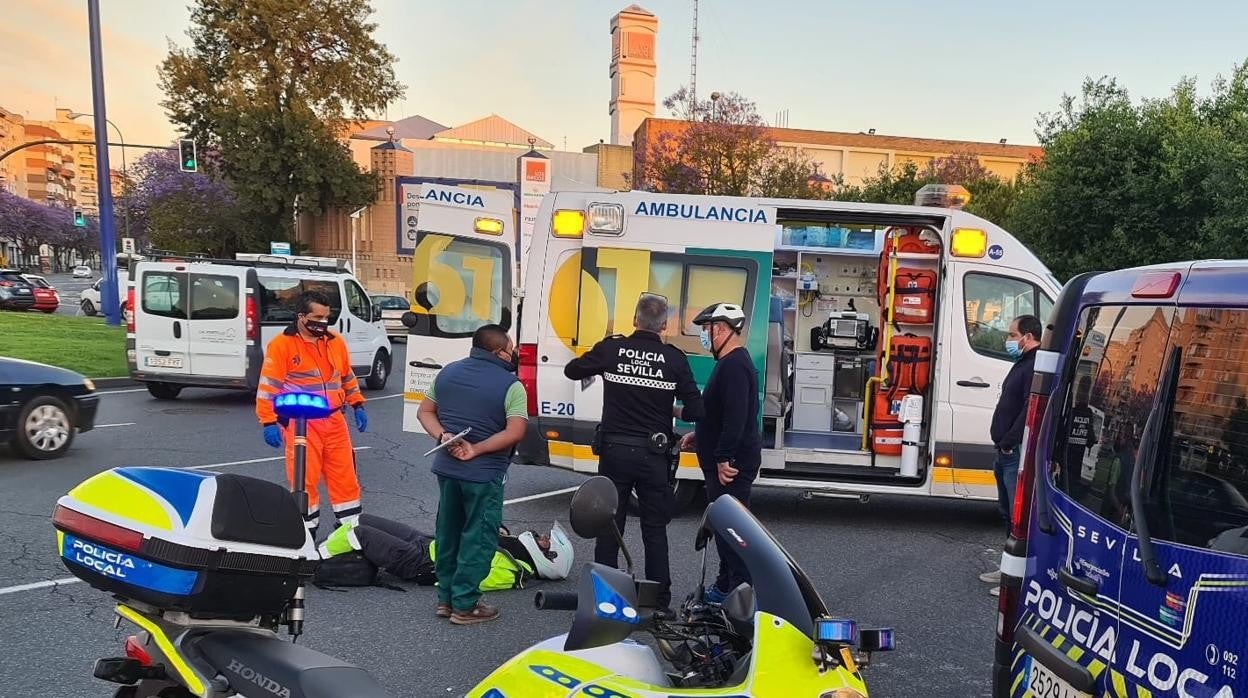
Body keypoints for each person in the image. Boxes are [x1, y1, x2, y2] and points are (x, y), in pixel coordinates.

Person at [563, 293, 704, 614]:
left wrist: (601, 360)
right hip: (654, 455)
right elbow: (697, 410)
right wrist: (669, 408)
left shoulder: (611, 349)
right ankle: (658, 600)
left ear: (634, 320)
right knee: (654, 528)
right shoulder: (674, 358)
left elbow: (572, 370)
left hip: (614, 452)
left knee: (609, 524)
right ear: (664, 326)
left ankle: (606, 600)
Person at [416, 324, 527, 625]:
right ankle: (465, 605)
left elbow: (424, 412)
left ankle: (445, 599)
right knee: (478, 537)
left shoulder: (448, 372)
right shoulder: (511, 385)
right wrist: (476, 449)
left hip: (447, 469)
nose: (513, 354)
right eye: (511, 349)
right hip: (483, 474)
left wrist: (443, 436)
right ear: (499, 352)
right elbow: (515, 431)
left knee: (448, 532)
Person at [256, 290, 368, 535]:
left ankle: (351, 533)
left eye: (326, 317)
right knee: (304, 480)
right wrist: (268, 422)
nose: (323, 323)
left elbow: (346, 376)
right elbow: (268, 387)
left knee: (346, 479)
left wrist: (357, 404)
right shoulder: (282, 345)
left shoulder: (335, 341)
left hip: (335, 420)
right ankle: (306, 534)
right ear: (301, 317)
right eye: (317, 318)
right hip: (302, 424)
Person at [679, 302, 762, 604]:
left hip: (732, 464)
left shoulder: (735, 365)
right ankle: (726, 585)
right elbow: (719, 412)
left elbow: (737, 416)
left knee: (732, 531)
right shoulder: (728, 363)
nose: (704, 335)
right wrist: (700, 435)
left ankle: (737, 593)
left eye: (707, 329)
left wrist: (724, 457)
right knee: (726, 529)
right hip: (724, 457)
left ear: (723, 329)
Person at [318, 514, 573, 587]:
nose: (540, 536)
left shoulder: (512, 571)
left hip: (421, 562)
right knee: (362, 520)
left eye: (545, 542)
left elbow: (467, 579)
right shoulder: (516, 549)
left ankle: (313, 561)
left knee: (359, 534)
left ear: (548, 559)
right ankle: (327, 553)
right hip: (429, 543)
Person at [980, 314, 1041, 591]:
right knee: (1007, 513)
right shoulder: (1022, 363)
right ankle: (1007, 569)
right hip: (1004, 451)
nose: (1008, 340)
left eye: (1012, 335)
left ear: (1028, 336)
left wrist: (1008, 441)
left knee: (1019, 518)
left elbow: (1030, 408)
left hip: (1013, 451)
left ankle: (1017, 582)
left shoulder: (1033, 365)